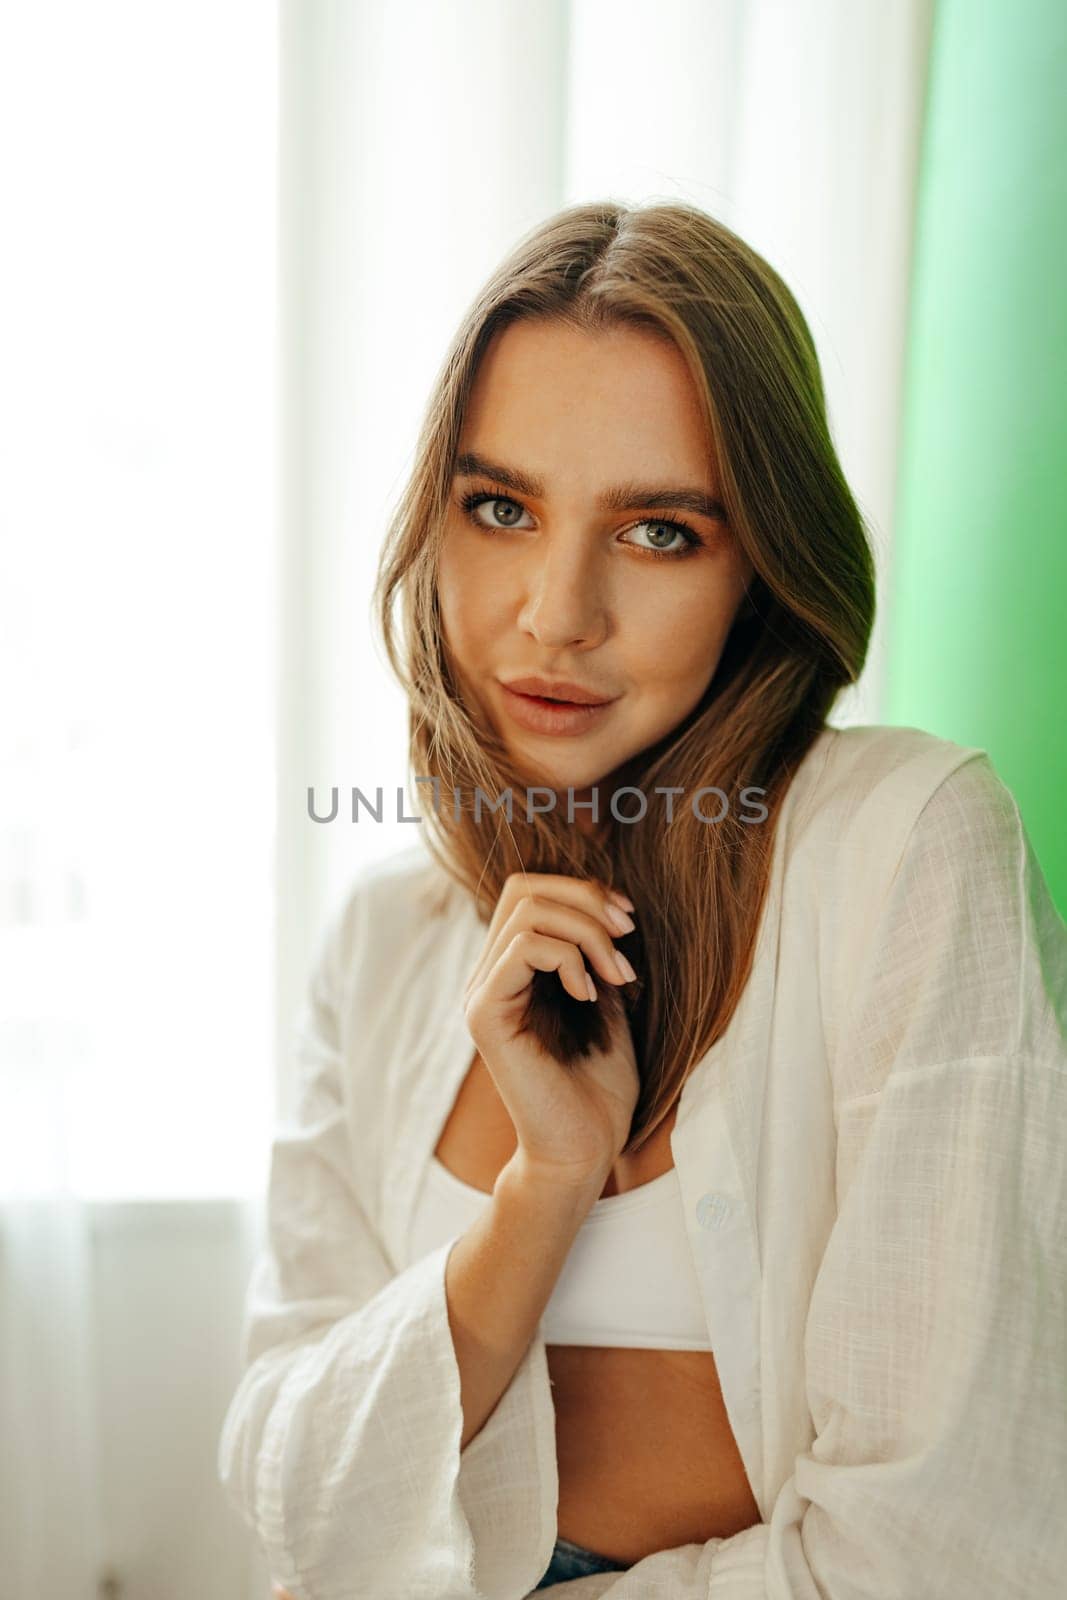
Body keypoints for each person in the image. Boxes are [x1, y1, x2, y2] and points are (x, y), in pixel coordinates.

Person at [217, 200, 1067, 1599]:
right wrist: (541, 1194)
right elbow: (289, 1489)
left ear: (763, 564)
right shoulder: (389, 932)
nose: (557, 610)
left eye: (660, 532)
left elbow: (945, 1551)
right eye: (501, 507)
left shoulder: (906, 848)